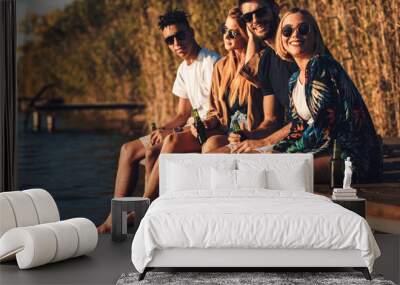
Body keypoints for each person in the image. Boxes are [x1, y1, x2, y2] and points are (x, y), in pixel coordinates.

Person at [97, 10, 220, 233]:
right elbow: (182, 113)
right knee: (128, 149)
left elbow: (218, 110)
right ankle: (113, 219)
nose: (176, 43)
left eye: (180, 36)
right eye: (169, 40)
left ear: (191, 33)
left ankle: (143, 207)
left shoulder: (210, 62)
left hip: (208, 129)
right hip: (188, 126)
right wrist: (163, 129)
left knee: (165, 144)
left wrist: (173, 132)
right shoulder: (183, 69)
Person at [271, 7, 382, 183]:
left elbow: (324, 127)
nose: (295, 34)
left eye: (303, 29)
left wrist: (286, 154)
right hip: (328, 152)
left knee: (284, 174)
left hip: (351, 158)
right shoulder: (294, 80)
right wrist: (274, 150)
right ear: (281, 39)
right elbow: (298, 128)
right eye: (287, 30)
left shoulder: (320, 65)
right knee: (274, 167)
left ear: (315, 36)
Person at [210, 0, 298, 153]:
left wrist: (264, 141)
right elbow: (271, 120)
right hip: (289, 136)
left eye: (261, 12)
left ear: (275, 9)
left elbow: (312, 116)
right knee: (211, 158)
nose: (255, 20)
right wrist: (249, 136)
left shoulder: (296, 48)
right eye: (248, 18)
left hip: (318, 140)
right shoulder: (265, 61)